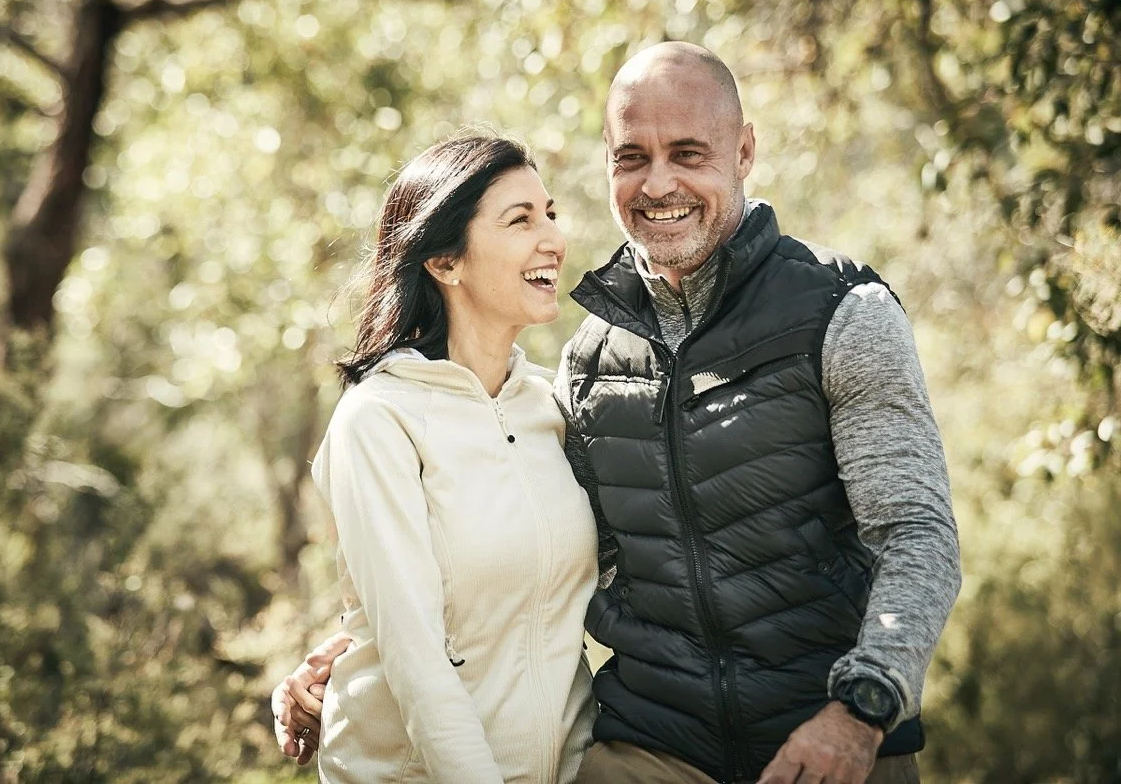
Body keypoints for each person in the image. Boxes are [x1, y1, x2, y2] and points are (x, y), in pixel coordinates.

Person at [276, 43, 962, 784]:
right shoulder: (585, 362)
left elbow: (917, 532)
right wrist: (358, 650)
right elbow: (526, 548)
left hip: (827, 739)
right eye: (632, 156)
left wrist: (861, 710)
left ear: (745, 150)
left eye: (688, 153)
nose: (658, 182)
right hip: (647, 750)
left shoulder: (841, 313)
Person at [297, 135, 599, 784]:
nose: (552, 237)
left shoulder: (550, 404)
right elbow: (416, 662)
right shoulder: (379, 420)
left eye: (549, 213)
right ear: (443, 259)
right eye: (520, 220)